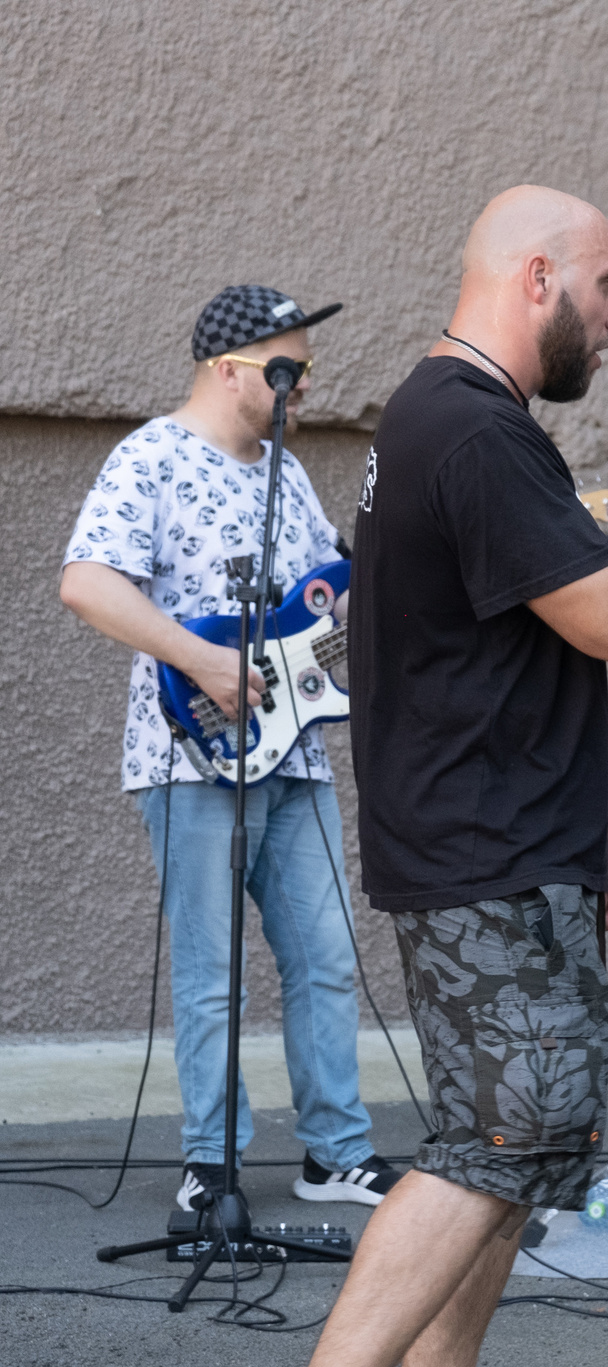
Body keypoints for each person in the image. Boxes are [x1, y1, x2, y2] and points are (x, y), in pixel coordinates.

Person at [214, 186, 608, 1367]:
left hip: (516, 835)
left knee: (527, 1138)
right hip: (479, 854)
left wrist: (587, 804)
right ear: (538, 275)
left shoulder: (455, 427)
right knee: (505, 1132)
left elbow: (475, 647)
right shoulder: (473, 426)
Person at [60, 284, 402, 1212]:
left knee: (328, 957)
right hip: (189, 756)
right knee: (211, 977)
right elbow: (87, 582)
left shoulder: (287, 474)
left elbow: (321, 614)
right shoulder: (152, 458)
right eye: (284, 371)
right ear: (226, 370)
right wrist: (203, 659)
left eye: (305, 369)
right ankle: (209, 1165)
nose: (301, 387)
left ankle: (336, 1151)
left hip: (294, 756)